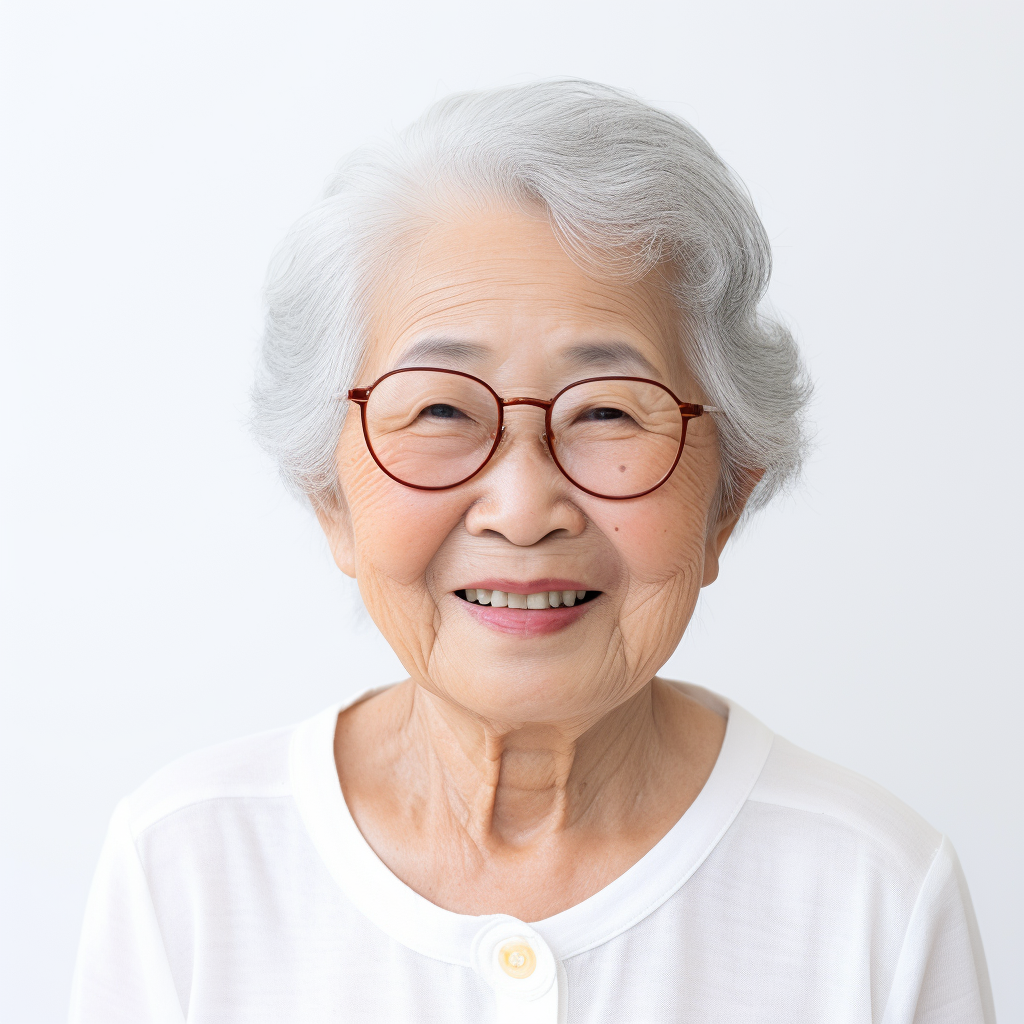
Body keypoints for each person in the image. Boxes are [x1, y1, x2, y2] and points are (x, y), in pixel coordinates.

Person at [69, 80, 994, 1023]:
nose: (521, 510)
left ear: (728, 500)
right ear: (330, 498)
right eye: (438, 408)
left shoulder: (874, 891)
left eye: (605, 412)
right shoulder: (184, 867)